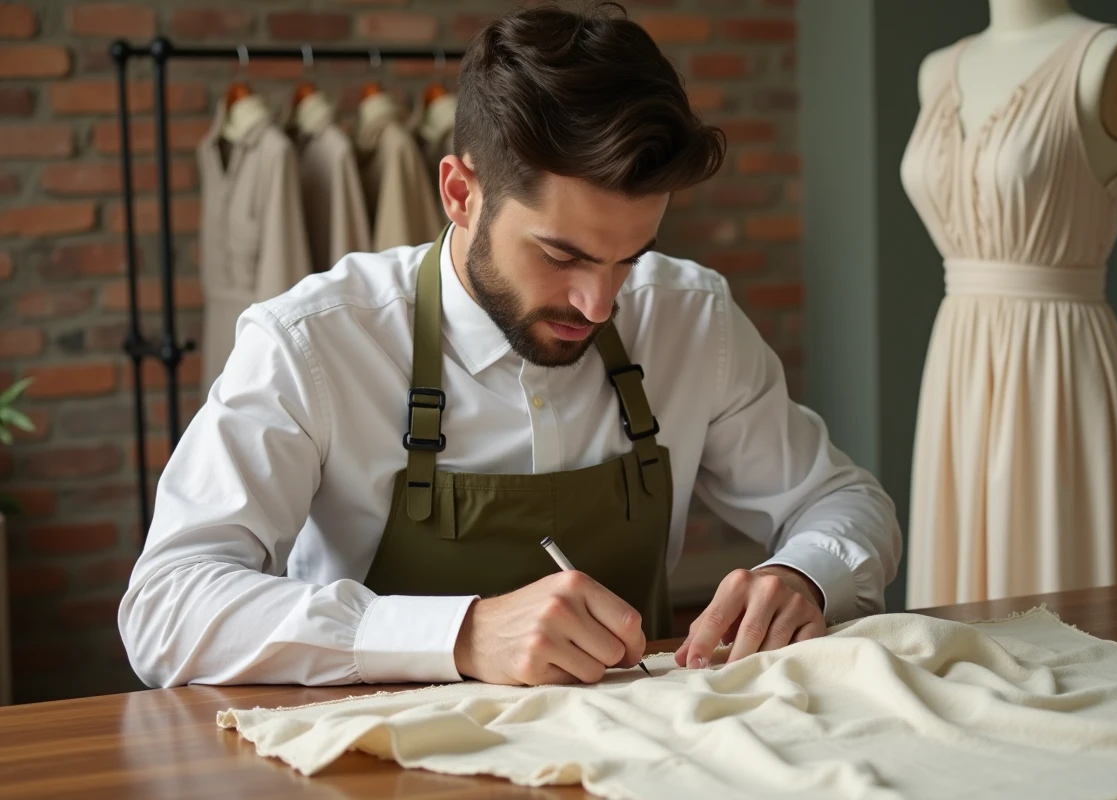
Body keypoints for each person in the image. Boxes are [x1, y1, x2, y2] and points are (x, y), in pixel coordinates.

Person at [118, 2, 902, 690]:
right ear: (460, 194)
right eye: (563, 256)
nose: (599, 303)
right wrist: (460, 635)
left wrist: (803, 574)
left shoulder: (689, 318)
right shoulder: (314, 342)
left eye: (628, 257)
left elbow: (848, 503)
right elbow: (166, 606)